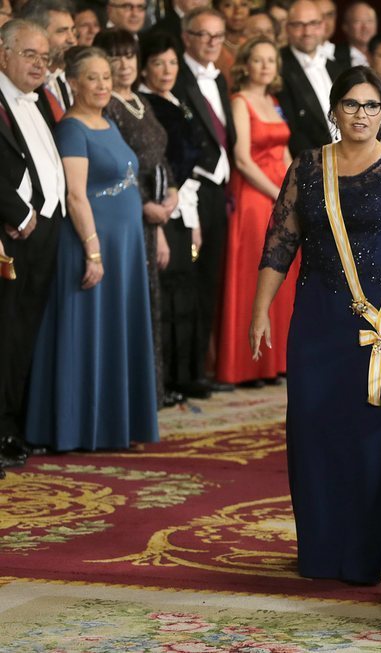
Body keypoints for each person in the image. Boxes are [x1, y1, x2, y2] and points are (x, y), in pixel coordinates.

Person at [251, 65, 381, 584]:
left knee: (366, 441)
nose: (362, 114)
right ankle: (318, 550)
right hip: (317, 321)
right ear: (334, 110)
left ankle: (361, 556)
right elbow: (280, 242)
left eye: (372, 105)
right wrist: (260, 308)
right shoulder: (307, 168)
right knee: (311, 432)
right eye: (353, 104)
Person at [25, 45, 158, 451]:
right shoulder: (72, 129)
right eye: (92, 78)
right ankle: (77, 428)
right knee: (87, 334)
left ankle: (115, 424)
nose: (102, 84)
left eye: (106, 77)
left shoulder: (108, 122)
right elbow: (77, 196)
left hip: (126, 246)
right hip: (91, 244)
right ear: (72, 82)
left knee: (117, 330)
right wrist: (93, 250)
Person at [97, 27, 179, 408]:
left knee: (150, 303)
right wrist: (149, 207)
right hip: (127, 214)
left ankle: (147, 391)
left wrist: (172, 191)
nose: (124, 64)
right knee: (129, 304)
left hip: (152, 215)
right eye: (115, 57)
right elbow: (119, 165)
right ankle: (127, 396)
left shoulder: (139, 101)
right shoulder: (106, 105)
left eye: (129, 56)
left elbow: (158, 158)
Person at [0, 19, 67, 470]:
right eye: (30, 54)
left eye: (45, 57)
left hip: (45, 231)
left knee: (24, 335)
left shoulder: (40, 100)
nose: (40, 65)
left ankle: (11, 428)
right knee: (5, 334)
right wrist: (18, 212)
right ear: (3, 52)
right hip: (13, 233)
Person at [216, 36, 296, 386]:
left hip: (280, 193)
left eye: (270, 60)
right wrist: (278, 194)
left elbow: (285, 152)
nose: (265, 66)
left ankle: (275, 361)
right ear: (244, 64)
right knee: (255, 274)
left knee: (284, 275)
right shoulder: (240, 101)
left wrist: (296, 191)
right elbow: (243, 160)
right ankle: (246, 365)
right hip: (253, 197)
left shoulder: (273, 100)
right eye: (258, 60)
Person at [140, 31, 211, 402]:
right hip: (160, 209)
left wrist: (193, 217)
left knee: (186, 292)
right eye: (157, 63)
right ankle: (163, 379)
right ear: (144, 67)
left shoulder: (176, 100)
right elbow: (157, 167)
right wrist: (163, 223)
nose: (166, 70)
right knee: (167, 295)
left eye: (172, 63)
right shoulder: (144, 104)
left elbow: (189, 167)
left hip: (183, 205)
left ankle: (186, 374)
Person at [174, 6, 236, 394]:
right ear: (186, 37)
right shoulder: (175, 77)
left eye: (218, 35)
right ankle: (183, 374)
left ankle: (201, 369)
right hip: (187, 192)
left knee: (210, 279)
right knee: (187, 283)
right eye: (203, 35)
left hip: (219, 193)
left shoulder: (220, 79)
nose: (212, 43)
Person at [276, 0, 349, 157]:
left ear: (323, 26)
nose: (307, 32)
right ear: (287, 28)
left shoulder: (335, 67)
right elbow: (290, 131)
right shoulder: (278, 67)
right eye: (298, 25)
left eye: (313, 24)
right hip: (309, 165)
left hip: (348, 160)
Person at [16, 0, 76, 123]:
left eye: (72, 30)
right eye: (62, 31)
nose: (72, 40)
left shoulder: (70, 77)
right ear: (36, 34)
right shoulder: (21, 83)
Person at [214, 0, 250, 82]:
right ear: (217, 10)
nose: (238, 11)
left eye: (244, 5)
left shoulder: (251, 45)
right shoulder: (211, 46)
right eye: (228, 5)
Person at [337, 1, 376, 68]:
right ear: (345, 27)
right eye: (358, 21)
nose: (365, 27)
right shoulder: (333, 56)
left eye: (369, 21)